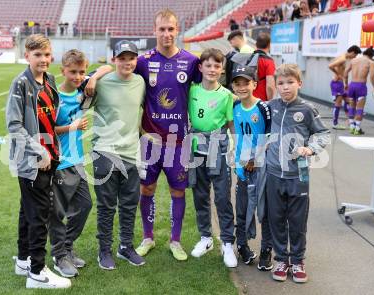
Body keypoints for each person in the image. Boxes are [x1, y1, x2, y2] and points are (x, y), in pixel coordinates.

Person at [84, 9, 201, 261]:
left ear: (177, 30)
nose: (166, 34)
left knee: (178, 191)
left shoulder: (191, 62)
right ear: (154, 31)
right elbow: (116, 67)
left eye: (171, 29)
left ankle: (176, 240)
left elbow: (212, 82)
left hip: (177, 141)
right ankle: (147, 237)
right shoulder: (144, 61)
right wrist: (98, 73)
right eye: (162, 29)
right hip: (148, 141)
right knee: (146, 189)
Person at [7, 34, 71, 289]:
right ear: (27, 56)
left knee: (28, 210)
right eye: (37, 55)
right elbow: (14, 125)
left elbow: (50, 120)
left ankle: (23, 260)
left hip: (50, 157)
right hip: (32, 162)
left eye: (46, 54)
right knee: (39, 216)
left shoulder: (50, 80)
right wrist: (39, 151)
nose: (43, 59)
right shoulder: (20, 84)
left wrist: (52, 150)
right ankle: (37, 272)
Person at [266, 64, 330, 283]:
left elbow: (322, 133)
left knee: (297, 220)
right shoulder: (271, 107)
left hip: (298, 177)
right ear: (275, 85)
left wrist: (310, 148)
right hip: (274, 175)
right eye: (281, 83)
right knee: (276, 219)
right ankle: (282, 259)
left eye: (290, 82)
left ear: (299, 83)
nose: (285, 88)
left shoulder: (307, 109)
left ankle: (298, 261)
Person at [92, 40, 146, 270]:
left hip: (131, 153)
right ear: (114, 59)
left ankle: (125, 247)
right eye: (122, 58)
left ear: (136, 60)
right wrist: (95, 76)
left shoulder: (141, 82)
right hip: (104, 151)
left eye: (131, 58)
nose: (127, 62)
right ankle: (104, 250)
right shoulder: (102, 82)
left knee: (129, 204)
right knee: (106, 206)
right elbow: (81, 99)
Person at [187, 48, 237, 268]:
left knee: (222, 198)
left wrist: (235, 149)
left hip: (218, 150)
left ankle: (227, 243)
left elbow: (230, 124)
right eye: (208, 65)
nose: (212, 69)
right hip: (196, 149)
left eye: (217, 66)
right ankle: (206, 237)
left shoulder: (226, 95)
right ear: (200, 68)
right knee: (200, 196)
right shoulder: (192, 91)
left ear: (222, 69)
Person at [49, 49, 92, 278]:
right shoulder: (55, 97)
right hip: (60, 163)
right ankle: (59, 256)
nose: (77, 76)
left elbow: (106, 69)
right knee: (58, 212)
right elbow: (48, 129)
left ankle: (66, 246)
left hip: (78, 161)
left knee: (85, 206)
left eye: (81, 72)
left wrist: (91, 78)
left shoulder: (83, 91)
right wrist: (71, 127)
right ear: (62, 70)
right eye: (73, 71)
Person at [231, 66, 273, 270]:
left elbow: (269, 137)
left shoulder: (263, 108)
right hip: (241, 169)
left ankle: (266, 250)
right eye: (237, 84)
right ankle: (242, 246)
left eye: (246, 83)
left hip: (261, 169)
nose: (241, 87)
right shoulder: (235, 107)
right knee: (241, 210)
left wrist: (254, 159)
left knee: (264, 212)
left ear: (254, 84)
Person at [344, 46, 374, 135]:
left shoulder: (353, 60)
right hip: (361, 86)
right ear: (371, 56)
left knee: (351, 107)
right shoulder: (370, 62)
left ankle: (351, 127)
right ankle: (357, 128)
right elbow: (371, 76)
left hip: (352, 85)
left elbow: (346, 72)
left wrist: (346, 84)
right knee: (360, 109)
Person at [328, 45, 362, 130]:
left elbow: (335, 65)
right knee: (338, 104)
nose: (355, 57)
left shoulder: (342, 56)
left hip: (340, 83)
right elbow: (330, 66)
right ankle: (335, 123)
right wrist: (338, 74)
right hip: (337, 83)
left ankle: (350, 121)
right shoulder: (342, 58)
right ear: (352, 52)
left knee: (348, 100)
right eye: (355, 55)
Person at [253, 33, 276, 102]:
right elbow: (270, 86)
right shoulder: (269, 62)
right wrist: (270, 101)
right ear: (269, 45)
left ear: (256, 44)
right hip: (262, 101)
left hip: (247, 100)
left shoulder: (248, 58)